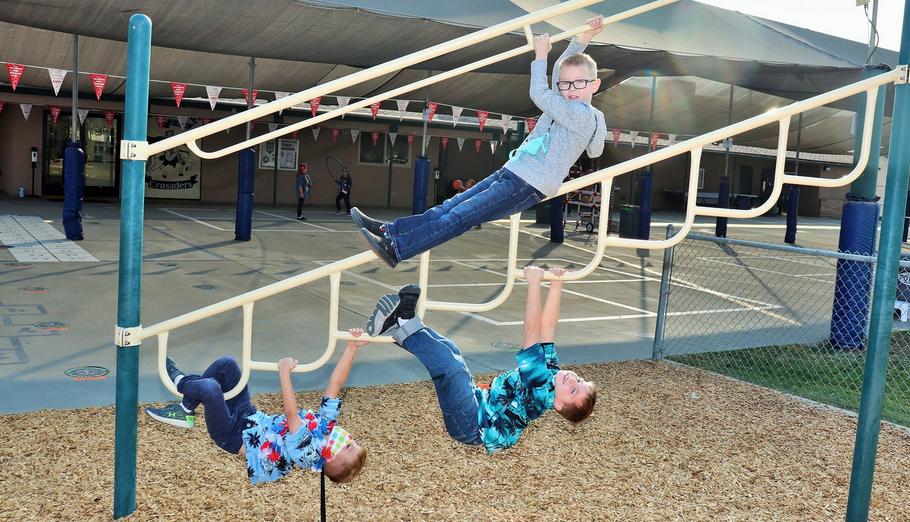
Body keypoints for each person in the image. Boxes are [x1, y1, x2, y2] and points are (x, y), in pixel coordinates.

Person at [350, 16, 608, 268]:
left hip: (528, 183)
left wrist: (541, 56)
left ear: (594, 85)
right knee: (450, 206)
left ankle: (398, 249)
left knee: (460, 216)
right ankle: (391, 231)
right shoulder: (567, 103)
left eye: (580, 83)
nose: (572, 88)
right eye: (566, 84)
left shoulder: (580, 115)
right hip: (515, 171)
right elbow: (560, 73)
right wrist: (582, 38)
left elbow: (540, 92)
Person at [366, 266, 597, 453]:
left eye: (574, 391)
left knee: (451, 367)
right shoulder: (553, 373)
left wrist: (534, 284)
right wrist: (557, 285)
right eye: (580, 380)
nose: (573, 381)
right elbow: (548, 328)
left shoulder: (541, 388)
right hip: (477, 404)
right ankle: (401, 326)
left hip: (471, 423)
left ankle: (403, 323)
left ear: (558, 404)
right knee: (451, 350)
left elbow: (531, 332)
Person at [144, 329, 368, 484]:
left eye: (349, 447)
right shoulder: (326, 426)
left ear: (330, 459)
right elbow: (335, 383)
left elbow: (291, 416)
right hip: (249, 416)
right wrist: (352, 347)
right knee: (227, 365)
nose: (348, 439)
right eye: (354, 441)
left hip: (232, 436)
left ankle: (177, 379)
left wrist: (283, 371)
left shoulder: (307, 452)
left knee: (211, 389)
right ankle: (184, 410)